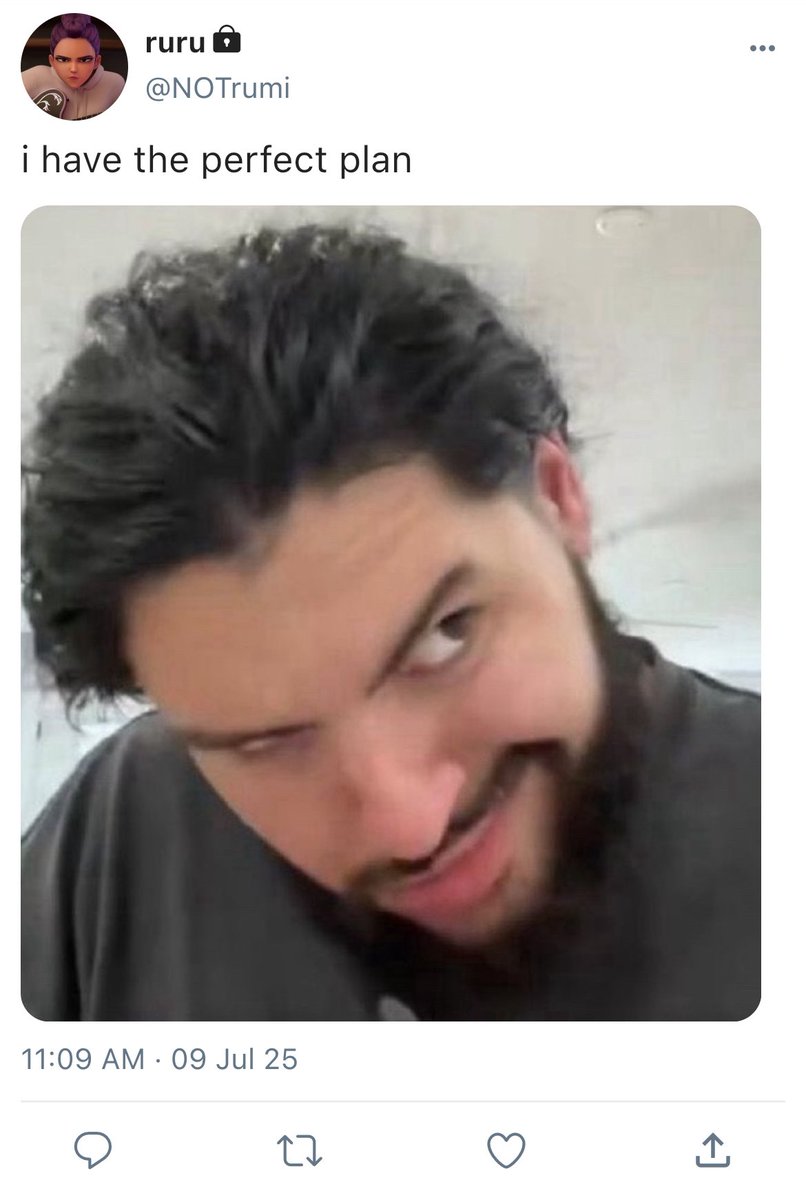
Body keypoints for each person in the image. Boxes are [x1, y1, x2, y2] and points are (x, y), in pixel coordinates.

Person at [21, 225, 760, 1021]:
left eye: (446, 638)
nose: (411, 828)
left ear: (557, 498)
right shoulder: (131, 829)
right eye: (266, 742)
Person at [22, 13, 124, 120]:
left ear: (96, 62)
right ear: (52, 61)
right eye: (63, 60)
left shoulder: (114, 84)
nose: (73, 69)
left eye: (84, 60)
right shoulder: (35, 78)